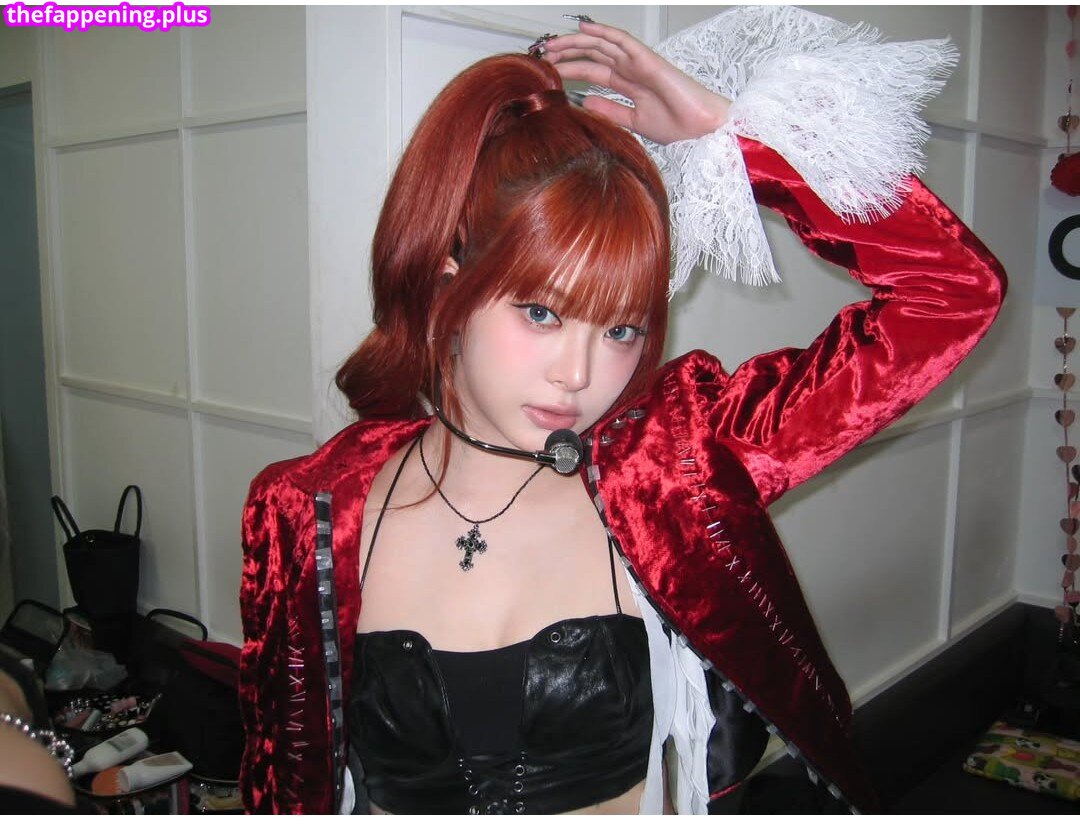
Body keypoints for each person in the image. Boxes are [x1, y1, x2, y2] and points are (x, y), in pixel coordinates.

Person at [239, 7, 1006, 815]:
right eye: (541, 313)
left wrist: (730, 138)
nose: (579, 376)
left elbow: (951, 294)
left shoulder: (676, 468)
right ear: (445, 282)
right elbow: (282, 781)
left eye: (620, 330)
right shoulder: (302, 513)